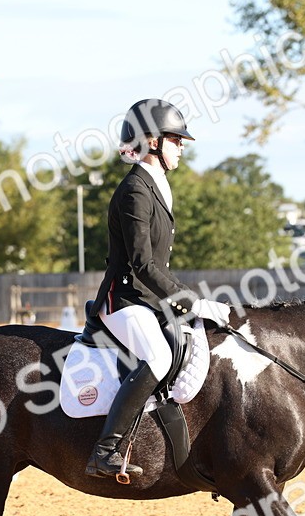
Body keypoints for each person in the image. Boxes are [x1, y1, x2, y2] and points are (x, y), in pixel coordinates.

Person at [85, 98, 230, 481]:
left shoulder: (155, 187)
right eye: (175, 139)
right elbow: (142, 264)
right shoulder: (135, 189)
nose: (181, 146)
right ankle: (105, 450)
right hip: (124, 300)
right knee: (159, 357)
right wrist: (192, 301)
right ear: (151, 141)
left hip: (147, 300)